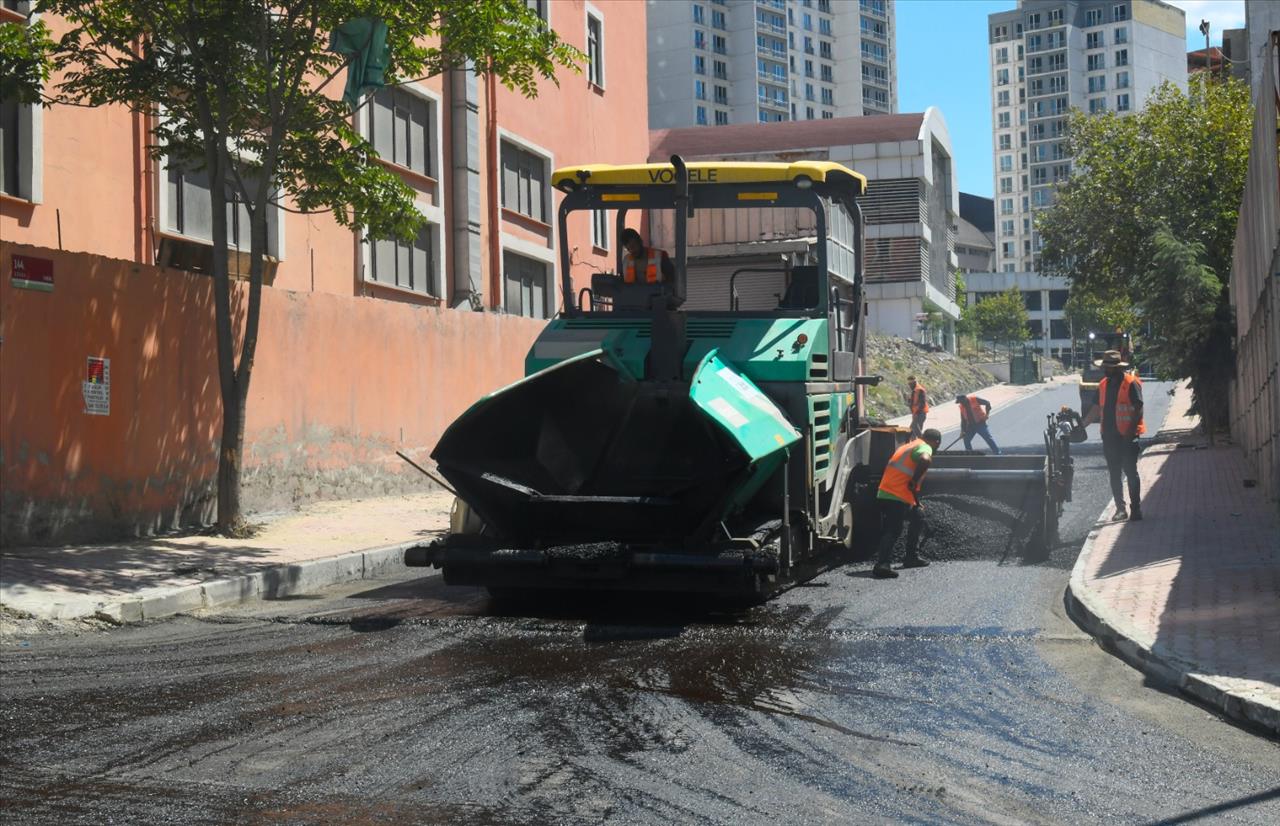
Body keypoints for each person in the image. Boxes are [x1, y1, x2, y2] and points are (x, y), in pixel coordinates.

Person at [1082, 349, 1145, 520]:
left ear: (1117, 368)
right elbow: (1095, 409)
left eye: (1108, 367)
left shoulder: (1131, 383)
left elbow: (1138, 408)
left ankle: (1136, 509)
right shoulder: (1103, 384)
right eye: (1104, 366)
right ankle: (1120, 509)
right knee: (1114, 473)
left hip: (1127, 437)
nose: (1105, 369)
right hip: (1109, 436)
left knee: (1131, 473)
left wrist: (1130, 432)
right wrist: (1082, 425)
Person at [872, 428, 943, 579]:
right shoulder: (925, 447)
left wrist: (916, 502)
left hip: (888, 492)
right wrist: (915, 479)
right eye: (937, 446)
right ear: (936, 442)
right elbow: (925, 459)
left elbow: (906, 478)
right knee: (893, 529)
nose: (935, 449)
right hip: (895, 495)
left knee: (918, 515)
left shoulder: (909, 445)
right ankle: (882, 565)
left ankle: (911, 557)